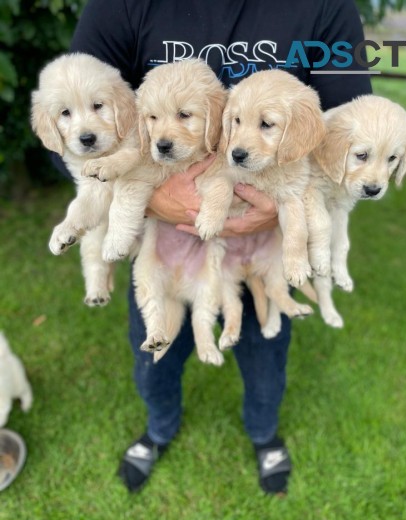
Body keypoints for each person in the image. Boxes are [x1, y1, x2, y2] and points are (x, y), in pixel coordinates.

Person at [60, 0, 372, 494]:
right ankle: (159, 428)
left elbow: (353, 128)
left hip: (266, 240)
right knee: (154, 353)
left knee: (267, 356)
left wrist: (286, 200)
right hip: (166, 237)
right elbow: (74, 122)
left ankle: (264, 435)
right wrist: (158, 199)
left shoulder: (326, 7)